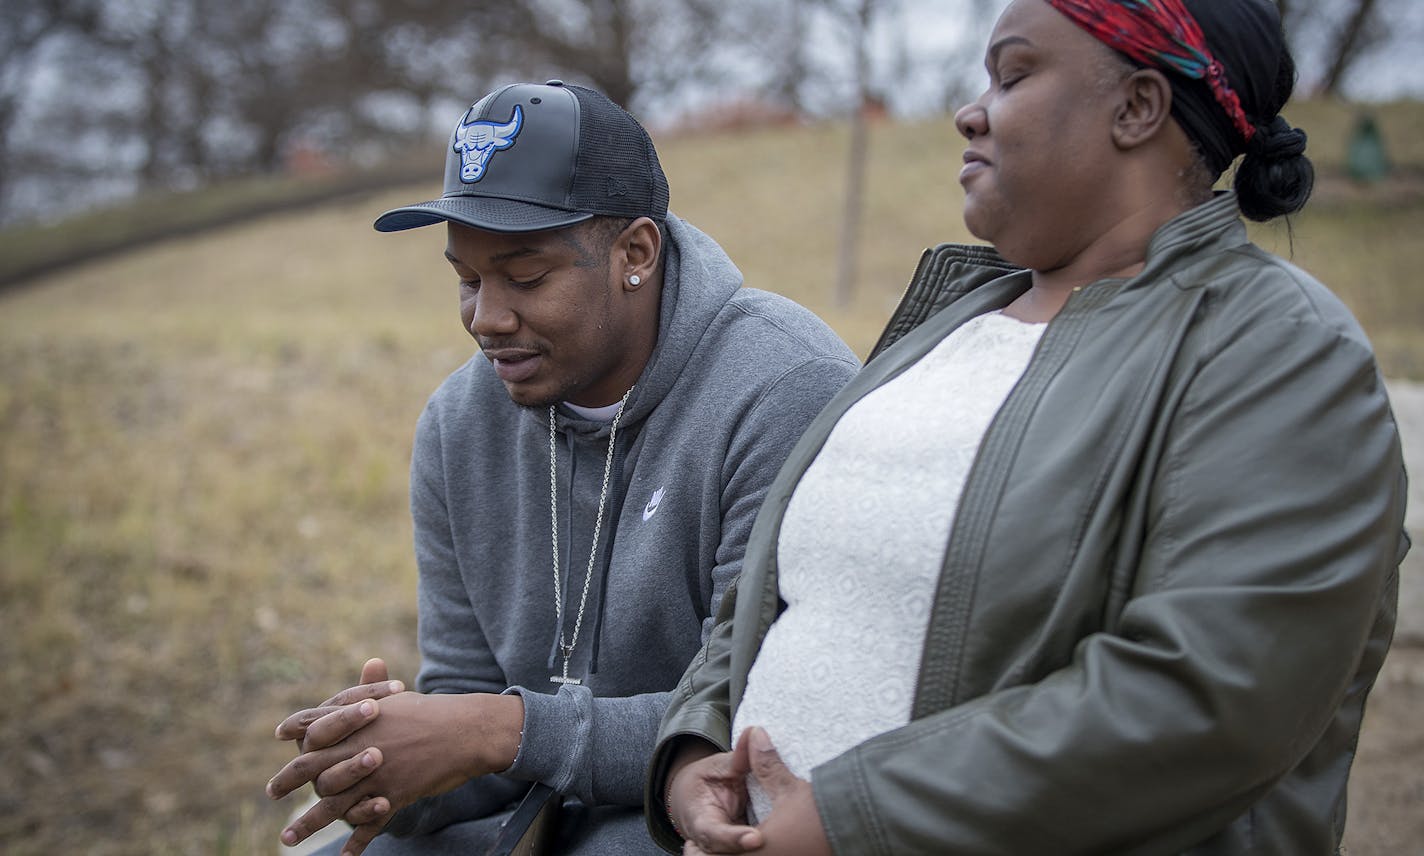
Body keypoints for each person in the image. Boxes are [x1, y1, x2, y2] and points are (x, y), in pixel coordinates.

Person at [649, 1, 1411, 854]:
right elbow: (776, 592)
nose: (969, 111)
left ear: (1138, 108)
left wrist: (857, 820)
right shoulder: (949, 326)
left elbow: (1213, 696)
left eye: (1012, 75)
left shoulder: (1274, 346)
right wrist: (697, 750)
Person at [263, 79, 859, 855]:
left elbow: (764, 711)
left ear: (634, 253)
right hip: (528, 816)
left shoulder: (781, 389)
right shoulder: (457, 425)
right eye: (467, 280)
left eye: (526, 276)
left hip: (698, 814)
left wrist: (494, 731)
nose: (487, 318)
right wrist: (392, 768)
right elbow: (470, 707)